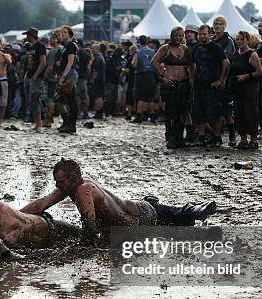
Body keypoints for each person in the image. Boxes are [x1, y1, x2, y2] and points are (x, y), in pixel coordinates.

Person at [20, 159, 217, 243]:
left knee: (176, 219)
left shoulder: (83, 190)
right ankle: (191, 213)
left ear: (73, 177)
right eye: (56, 182)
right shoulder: (69, 186)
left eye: (60, 181)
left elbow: (89, 227)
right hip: (140, 214)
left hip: (142, 216)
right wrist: (17, 215)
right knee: (180, 224)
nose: (57, 186)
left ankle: (192, 210)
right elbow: (41, 204)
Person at [153, 26, 193, 149]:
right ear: (172, 36)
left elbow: (191, 65)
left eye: (180, 35)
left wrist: (191, 79)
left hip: (184, 84)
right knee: (170, 113)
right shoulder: (165, 48)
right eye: (176, 35)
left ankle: (179, 138)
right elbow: (154, 62)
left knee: (182, 112)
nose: (178, 38)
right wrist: (163, 77)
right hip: (170, 85)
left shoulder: (185, 49)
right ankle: (170, 138)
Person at [191, 24, 229, 146]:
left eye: (204, 34)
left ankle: (217, 137)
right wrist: (192, 79)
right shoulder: (196, 48)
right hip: (198, 84)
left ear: (210, 34)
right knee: (198, 111)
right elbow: (192, 64)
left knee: (215, 112)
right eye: (200, 34)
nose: (202, 36)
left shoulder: (215, 47)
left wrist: (221, 80)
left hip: (212, 85)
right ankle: (202, 137)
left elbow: (226, 62)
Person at [229, 31, 262, 149]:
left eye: (242, 39)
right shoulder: (236, 53)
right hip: (237, 88)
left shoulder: (252, 54)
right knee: (239, 113)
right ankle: (243, 139)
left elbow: (259, 72)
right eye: (237, 39)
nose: (239, 41)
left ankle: (253, 140)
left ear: (247, 40)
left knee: (250, 113)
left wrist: (247, 76)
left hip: (250, 88)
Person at [212, 16, 237, 147]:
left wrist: (224, 80)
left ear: (224, 26)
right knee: (215, 109)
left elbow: (228, 62)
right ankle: (216, 136)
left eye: (220, 24)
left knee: (226, 109)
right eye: (215, 23)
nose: (217, 25)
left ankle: (232, 135)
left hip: (224, 79)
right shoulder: (211, 40)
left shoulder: (228, 41)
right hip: (212, 79)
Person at [55, 26, 79, 134]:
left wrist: (63, 76)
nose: (63, 34)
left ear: (70, 34)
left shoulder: (71, 45)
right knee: (61, 100)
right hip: (64, 73)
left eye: (65, 32)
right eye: (62, 32)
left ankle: (71, 124)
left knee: (71, 100)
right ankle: (66, 122)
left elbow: (70, 62)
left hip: (69, 74)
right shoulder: (65, 46)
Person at [23, 27, 47, 131]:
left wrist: (35, 76)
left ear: (31, 35)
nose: (26, 37)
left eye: (27, 35)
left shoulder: (40, 46)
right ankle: (36, 121)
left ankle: (39, 123)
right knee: (30, 100)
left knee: (35, 100)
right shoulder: (31, 47)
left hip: (35, 77)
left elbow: (43, 62)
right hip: (29, 75)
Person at [131, 35, 156, 123]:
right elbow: (156, 64)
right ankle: (153, 116)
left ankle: (139, 116)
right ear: (147, 42)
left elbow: (134, 64)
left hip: (141, 75)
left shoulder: (138, 52)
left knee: (140, 97)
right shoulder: (153, 51)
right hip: (151, 75)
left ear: (139, 42)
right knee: (151, 97)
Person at [90, 43, 106, 119]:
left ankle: (98, 112)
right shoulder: (101, 57)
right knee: (99, 96)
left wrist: (92, 80)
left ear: (97, 49)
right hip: (101, 79)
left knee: (98, 96)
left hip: (98, 80)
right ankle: (99, 111)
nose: (91, 50)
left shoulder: (97, 58)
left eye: (93, 48)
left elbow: (95, 71)